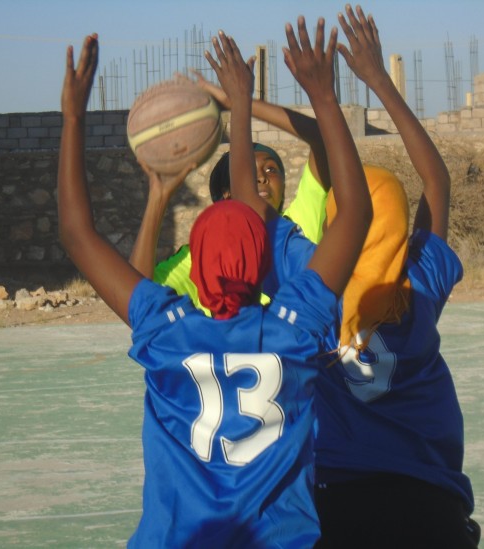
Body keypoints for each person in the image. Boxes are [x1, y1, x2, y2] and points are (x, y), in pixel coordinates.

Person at [57, 16, 371, 548]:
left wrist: (73, 117)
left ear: (193, 271)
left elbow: (76, 232)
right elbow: (357, 212)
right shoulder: (295, 330)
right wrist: (318, 92)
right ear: (263, 262)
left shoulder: (166, 327)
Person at [262, 5, 480, 547]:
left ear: (338, 221)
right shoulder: (420, 286)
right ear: (400, 227)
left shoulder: (312, 284)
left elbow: (253, 204)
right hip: (431, 503)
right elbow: (436, 181)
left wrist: (238, 105)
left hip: (338, 500)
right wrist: (376, 79)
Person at [129, 74, 332, 313]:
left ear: (284, 188)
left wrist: (241, 103)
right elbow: (137, 295)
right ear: (225, 195)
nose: (261, 177)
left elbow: (322, 139)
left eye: (271, 169)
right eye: (247, 174)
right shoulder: (200, 254)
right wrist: (158, 197)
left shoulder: (298, 225)